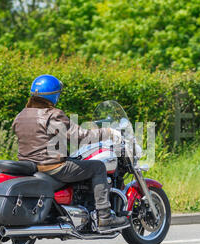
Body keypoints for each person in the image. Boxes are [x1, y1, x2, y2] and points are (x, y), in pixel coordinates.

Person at [12, 75, 129, 231]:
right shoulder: (52, 114)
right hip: (52, 167)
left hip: (30, 166)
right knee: (98, 167)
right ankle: (105, 217)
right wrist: (108, 132)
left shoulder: (21, 115)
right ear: (54, 95)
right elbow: (80, 136)